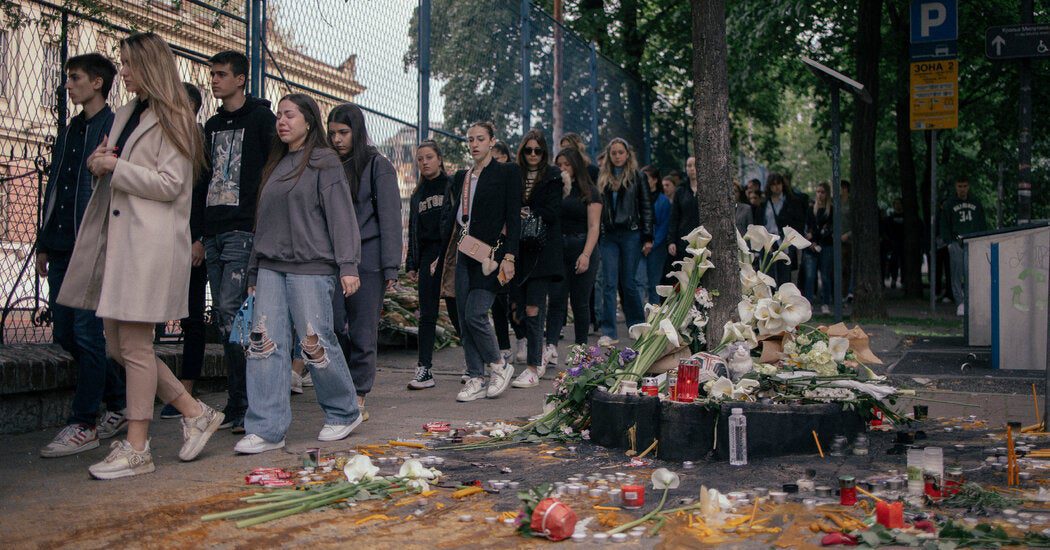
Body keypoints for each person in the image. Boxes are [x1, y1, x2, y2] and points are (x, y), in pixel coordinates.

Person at [58, 33, 219, 479]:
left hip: (150, 245)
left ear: (149, 66)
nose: (122, 73)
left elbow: (171, 184)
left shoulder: (177, 118)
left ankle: (137, 447)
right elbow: (118, 166)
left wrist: (117, 168)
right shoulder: (129, 112)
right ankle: (193, 412)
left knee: (132, 345)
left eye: (128, 65)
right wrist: (101, 160)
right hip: (120, 240)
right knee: (118, 344)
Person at [234, 93, 363, 454]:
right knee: (263, 344)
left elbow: (340, 215)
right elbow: (263, 224)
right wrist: (254, 271)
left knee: (314, 342)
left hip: (312, 266)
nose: (282, 121)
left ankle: (343, 411)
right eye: (279, 115)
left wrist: (348, 265)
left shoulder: (324, 162)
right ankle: (267, 429)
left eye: (289, 114)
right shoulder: (275, 165)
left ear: (309, 120)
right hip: (271, 267)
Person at [36, 53, 128, 458]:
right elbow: (56, 184)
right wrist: (43, 240)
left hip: (92, 244)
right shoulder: (71, 128)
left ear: (96, 83)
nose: (67, 85)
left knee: (90, 335)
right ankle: (120, 401)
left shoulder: (113, 127)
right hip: (59, 243)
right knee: (65, 334)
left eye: (74, 78)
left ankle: (84, 422)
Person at [196, 50, 276, 433]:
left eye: (221, 74)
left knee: (233, 315)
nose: (214, 80)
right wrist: (198, 234)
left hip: (244, 231)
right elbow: (202, 181)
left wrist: (263, 227)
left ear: (241, 79)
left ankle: (247, 403)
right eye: (212, 74)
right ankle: (238, 402)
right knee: (226, 319)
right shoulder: (210, 125)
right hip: (213, 232)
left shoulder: (261, 119)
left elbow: (273, 173)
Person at [327, 103, 402, 420]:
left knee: (362, 330)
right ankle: (343, 390)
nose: (337, 140)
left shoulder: (377, 164)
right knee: (332, 328)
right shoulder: (328, 165)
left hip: (368, 258)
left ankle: (358, 396)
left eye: (343, 133)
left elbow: (390, 219)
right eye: (332, 134)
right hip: (332, 257)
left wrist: (390, 268)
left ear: (357, 132)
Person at [441, 121, 521, 402]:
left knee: (476, 313)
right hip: (466, 251)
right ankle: (475, 376)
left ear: (491, 141)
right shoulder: (463, 176)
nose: (474, 144)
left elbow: (513, 218)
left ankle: (498, 365)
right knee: (464, 317)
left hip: (492, 254)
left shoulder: (507, 173)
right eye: (470, 139)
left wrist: (509, 256)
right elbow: (457, 218)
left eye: (480, 139)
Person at [160, 82, 209, 419]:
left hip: (191, 239)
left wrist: (201, 238)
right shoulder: (162, 137)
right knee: (148, 318)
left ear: (190, 106)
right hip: (161, 238)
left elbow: (208, 194)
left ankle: (187, 390)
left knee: (191, 316)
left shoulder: (202, 142)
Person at [509, 130, 563, 388]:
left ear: (543, 153)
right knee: (517, 310)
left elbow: (552, 212)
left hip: (540, 250)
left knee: (533, 309)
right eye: (528, 150)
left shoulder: (552, 176)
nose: (532, 155)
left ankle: (532, 365)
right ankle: (533, 354)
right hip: (516, 250)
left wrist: (527, 211)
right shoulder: (513, 174)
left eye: (537, 150)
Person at [406, 141, 455, 389]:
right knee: (427, 314)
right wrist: (412, 263)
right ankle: (424, 369)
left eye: (429, 157)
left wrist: (447, 255)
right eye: (420, 159)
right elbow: (413, 231)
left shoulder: (452, 186)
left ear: (439, 159)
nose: (424, 162)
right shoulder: (417, 195)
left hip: (449, 255)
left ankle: (474, 365)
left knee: (457, 311)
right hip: (427, 256)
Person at [596, 138, 652, 346]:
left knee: (628, 282)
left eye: (621, 152)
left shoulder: (638, 177)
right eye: (614, 153)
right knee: (609, 283)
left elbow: (646, 207)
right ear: (609, 156)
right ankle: (609, 331)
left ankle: (636, 324)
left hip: (631, 234)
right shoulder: (603, 177)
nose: (618, 156)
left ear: (627, 154)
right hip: (609, 236)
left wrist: (648, 237)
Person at [545, 147, 601, 354]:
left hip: (582, 246)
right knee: (556, 300)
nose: (563, 169)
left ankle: (581, 348)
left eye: (567, 164)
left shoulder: (589, 191)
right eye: (559, 165)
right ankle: (550, 347)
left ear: (576, 165)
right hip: (558, 249)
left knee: (580, 302)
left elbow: (594, 226)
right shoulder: (554, 189)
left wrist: (586, 255)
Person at [940, 178, 987, 316]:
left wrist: (981, 239)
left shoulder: (976, 203)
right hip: (956, 242)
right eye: (960, 186)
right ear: (956, 186)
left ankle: (972, 301)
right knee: (957, 273)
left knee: (972, 273)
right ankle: (960, 302)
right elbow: (944, 224)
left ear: (968, 186)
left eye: (965, 186)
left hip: (973, 242)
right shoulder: (949, 204)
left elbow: (981, 222)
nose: (962, 189)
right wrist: (948, 242)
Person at [489, 140, 517, 361]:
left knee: (512, 300)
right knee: (498, 300)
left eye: (500, 158)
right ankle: (504, 346)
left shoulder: (510, 178)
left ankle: (523, 337)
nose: (497, 162)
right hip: (490, 249)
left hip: (510, 248)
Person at [755, 172, 805, 286]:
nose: (776, 187)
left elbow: (798, 222)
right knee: (768, 275)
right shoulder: (764, 204)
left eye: (778, 184)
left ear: (783, 185)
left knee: (784, 275)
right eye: (773, 184)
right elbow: (760, 224)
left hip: (785, 241)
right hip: (768, 241)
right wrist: (766, 242)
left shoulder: (791, 202)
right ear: (769, 186)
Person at [640, 165, 670, 304]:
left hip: (657, 248)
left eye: (647, 178)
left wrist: (652, 243)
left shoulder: (663, 201)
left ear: (654, 180)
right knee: (639, 282)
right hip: (640, 246)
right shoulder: (638, 198)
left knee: (654, 284)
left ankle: (654, 315)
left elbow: (664, 226)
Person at [804, 182, 834, 313]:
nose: (820, 195)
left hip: (826, 245)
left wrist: (817, 238)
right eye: (818, 192)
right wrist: (811, 242)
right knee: (810, 276)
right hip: (811, 246)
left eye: (822, 192)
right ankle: (808, 302)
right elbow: (808, 228)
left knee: (825, 275)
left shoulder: (831, 210)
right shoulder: (811, 209)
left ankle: (825, 302)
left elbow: (829, 229)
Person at [668, 156, 699, 263]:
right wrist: (671, 241)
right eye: (689, 166)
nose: (692, 168)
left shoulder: (708, 190)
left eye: (694, 165)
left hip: (703, 238)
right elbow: (674, 218)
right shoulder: (680, 191)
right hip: (684, 239)